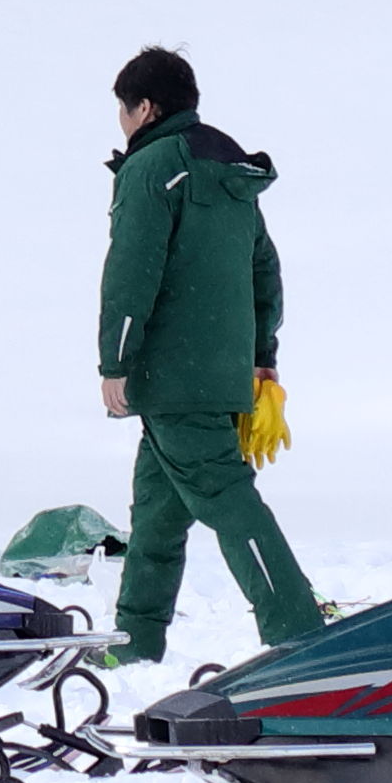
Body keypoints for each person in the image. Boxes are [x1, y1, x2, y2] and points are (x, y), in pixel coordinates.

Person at [92, 48, 319, 669]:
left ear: (146, 107)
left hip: (168, 376)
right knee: (158, 518)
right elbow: (263, 269)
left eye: (122, 106)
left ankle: (297, 632)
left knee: (228, 500)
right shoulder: (229, 173)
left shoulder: (152, 167)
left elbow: (131, 271)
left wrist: (116, 361)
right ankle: (133, 646)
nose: (119, 120)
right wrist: (260, 359)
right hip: (219, 375)